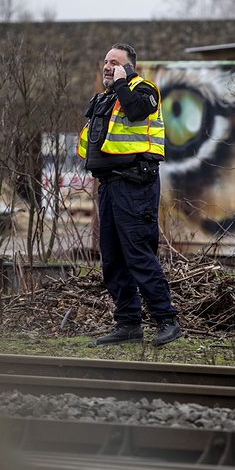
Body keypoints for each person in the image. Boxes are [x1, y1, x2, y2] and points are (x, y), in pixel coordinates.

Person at [77, 43, 182, 347]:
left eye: (115, 62)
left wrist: (123, 81)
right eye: (105, 61)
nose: (107, 67)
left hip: (136, 185)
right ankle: (128, 324)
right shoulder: (105, 98)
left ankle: (167, 321)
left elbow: (136, 110)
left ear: (129, 67)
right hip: (109, 185)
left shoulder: (144, 89)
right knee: (112, 259)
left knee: (138, 254)